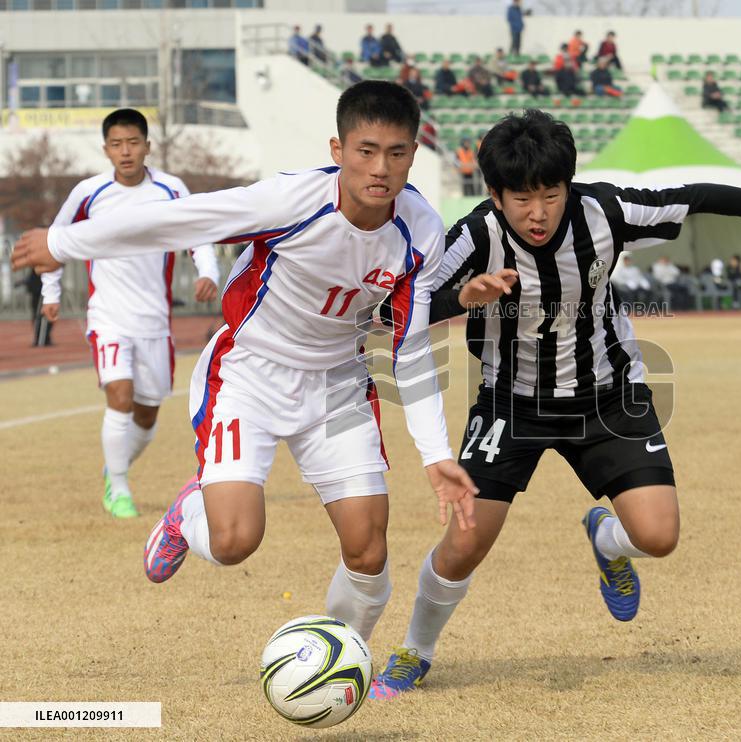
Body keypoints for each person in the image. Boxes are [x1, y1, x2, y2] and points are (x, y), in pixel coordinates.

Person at [366, 109, 741, 698]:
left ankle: (605, 539)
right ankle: (415, 649)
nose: (538, 213)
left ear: (570, 185)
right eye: (521, 198)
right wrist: (460, 296)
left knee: (659, 535)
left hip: (609, 396)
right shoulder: (475, 236)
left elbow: (696, 196)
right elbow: (393, 314)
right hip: (511, 406)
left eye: (551, 194)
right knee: (464, 544)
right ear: (495, 194)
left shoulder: (604, 211)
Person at [12, 82, 478, 646]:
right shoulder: (290, 201)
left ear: (412, 154)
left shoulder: (422, 231)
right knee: (234, 541)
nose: (381, 168)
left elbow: (408, 346)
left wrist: (436, 455)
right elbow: (179, 221)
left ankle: (337, 662)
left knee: (369, 549)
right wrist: (65, 243)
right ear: (338, 150)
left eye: (397, 152)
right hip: (249, 373)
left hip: (337, 385)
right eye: (366, 150)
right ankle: (188, 516)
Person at [38, 108, 219, 518]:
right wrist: (50, 293)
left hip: (155, 322)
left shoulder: (172, 190)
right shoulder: (89, 193)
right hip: (108, 317)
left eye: (133, 143)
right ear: (106, 149)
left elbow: (200, 233)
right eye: (117, 144)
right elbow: (54, 241)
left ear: (147, 146)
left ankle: (113, 468)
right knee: (118, 396)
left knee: (148, 413)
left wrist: (207, 272)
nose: (126, 152)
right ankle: (118, 488)